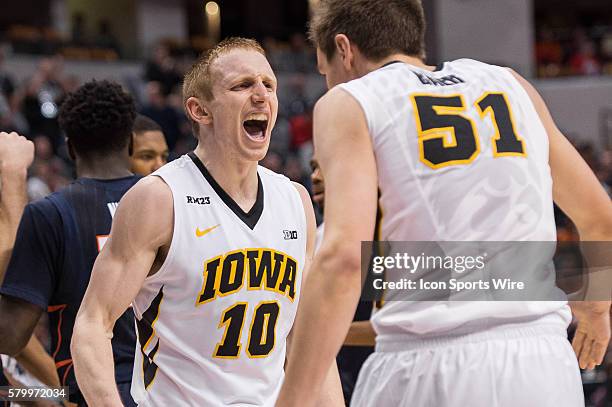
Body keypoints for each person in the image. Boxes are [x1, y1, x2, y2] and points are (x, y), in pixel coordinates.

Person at [277, 1, 612, 406]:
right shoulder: (511, 84)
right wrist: (595, 310)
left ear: (344, 49)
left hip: (431, 363)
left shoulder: (350, 100)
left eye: (325, 70)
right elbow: (600, 218)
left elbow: (344, 261)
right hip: (544, 364)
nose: (329, 82)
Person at [71, 37, 343, 406]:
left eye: (269, 84)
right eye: (242, 85)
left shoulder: (295, 201)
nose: (262, 95)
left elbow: (308, 340)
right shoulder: (160, 198)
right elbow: (91, 325)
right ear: (200, 111)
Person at [0, 80, 140, 406]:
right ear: (131, 143)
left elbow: (10, 335)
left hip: (95, 391)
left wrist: (11, 177)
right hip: (176, 390)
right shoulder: (172, 203)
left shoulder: (51, 214)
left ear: (70, 148)